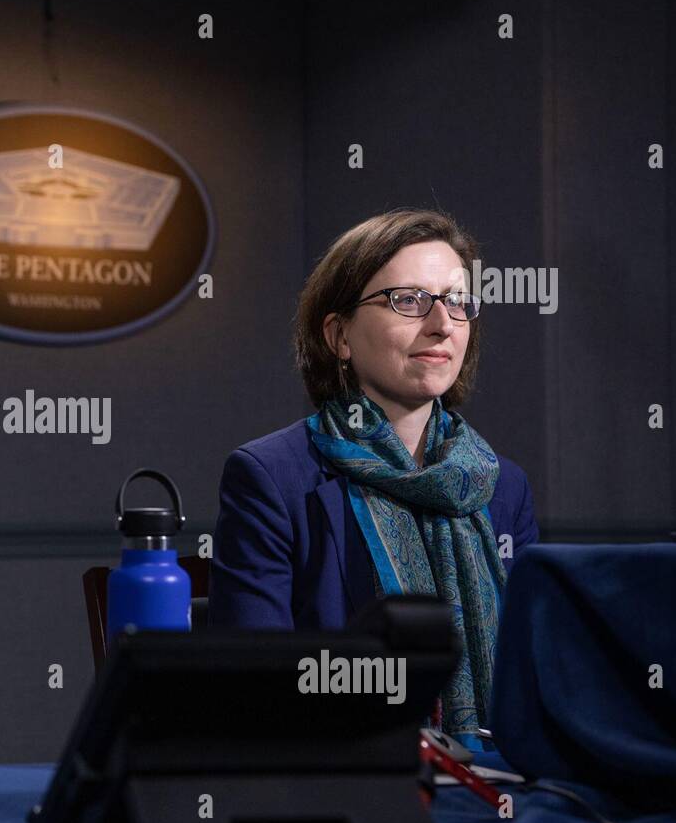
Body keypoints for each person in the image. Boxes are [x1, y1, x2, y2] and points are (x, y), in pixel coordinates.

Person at [209, 209, 539, 747]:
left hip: (499, 783)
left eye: (456, 302)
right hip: (343, 781)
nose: (441, 325)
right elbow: (258, 686)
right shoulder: (270, 477)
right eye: (408, 301)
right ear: (339, 335)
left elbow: (537, 673)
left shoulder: (504, 487)